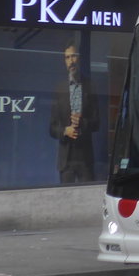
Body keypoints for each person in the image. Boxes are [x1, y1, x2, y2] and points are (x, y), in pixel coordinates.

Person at [48, 43, 100, 183]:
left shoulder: (90, 86)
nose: (71, 60)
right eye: (67, 57)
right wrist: (66, 131)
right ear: (65, 61)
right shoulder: (59, 89)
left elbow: (97, 123)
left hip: (85, 157)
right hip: (66, 159)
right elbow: (52, 128)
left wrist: (82, 123)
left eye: (73, 56)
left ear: (79, 58)